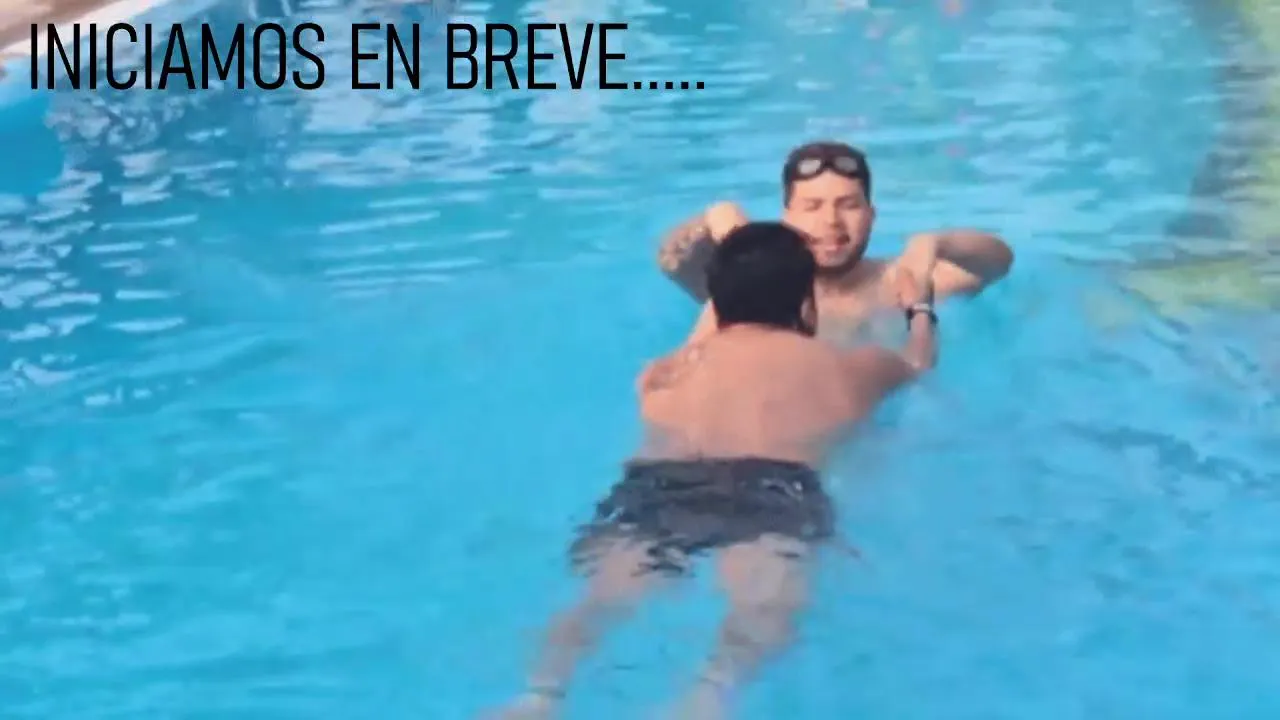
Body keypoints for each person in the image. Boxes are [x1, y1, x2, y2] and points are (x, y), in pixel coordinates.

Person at [493, 222, 938, 719]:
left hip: (661, 482)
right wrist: (919, 308)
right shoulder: (849, 367)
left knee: (601, 598)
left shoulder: (664, 372)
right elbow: (919, 363)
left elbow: (674, 382)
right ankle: (707, 695)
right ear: (806, 303)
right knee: (763, 607)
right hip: (773, 488)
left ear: (716, 301)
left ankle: (540, 694)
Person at [656, 140, 1013, 345]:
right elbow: (672, 262)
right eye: (812, 207)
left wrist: (934, 243)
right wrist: (723, 222)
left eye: (848, 205)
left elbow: (997, 263)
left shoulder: (898, 283)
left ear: (871, 215)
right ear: (786, 217)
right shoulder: (754, 285)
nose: (831, 221)